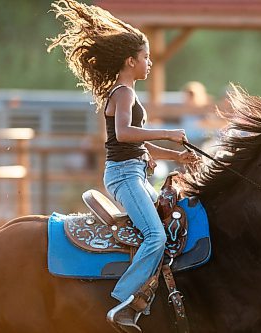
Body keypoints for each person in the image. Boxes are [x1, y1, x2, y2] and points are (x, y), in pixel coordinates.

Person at [47, 1, 198, 332]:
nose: (149, 62)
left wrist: (178, 156)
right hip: (124, 177)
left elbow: (136, 144)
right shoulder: (124, 93)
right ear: (131, 61)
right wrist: (169, 133)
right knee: (156, 236)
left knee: (168, 223)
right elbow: (125, 133)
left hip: (134, 172)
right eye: (145, 57)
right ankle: (124, 303)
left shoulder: (127, 93)